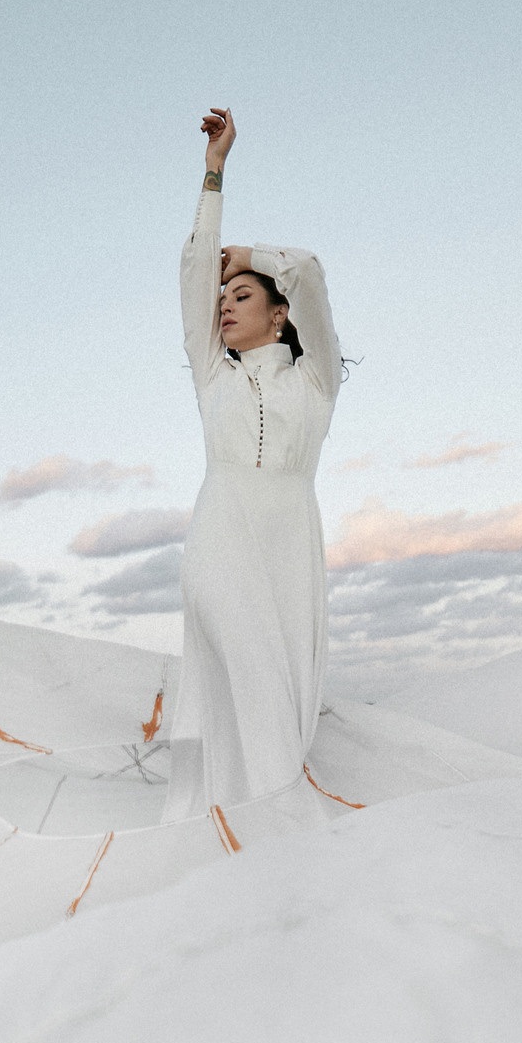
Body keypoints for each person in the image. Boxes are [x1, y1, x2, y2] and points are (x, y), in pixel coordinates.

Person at [162, 106, 341, 822]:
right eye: (221, 299)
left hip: (289, 540)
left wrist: (253, 256)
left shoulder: (316, 380)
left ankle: (249, 825)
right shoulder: (212, 373)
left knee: (283, 691)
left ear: (280, 316)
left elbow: (313, 274)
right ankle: (283, 829)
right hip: (221, 533)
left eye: (241, 296)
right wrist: (214, 174)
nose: (224, 305)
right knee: (246, 668)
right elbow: (191, 273)